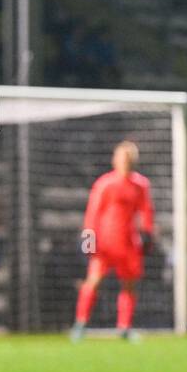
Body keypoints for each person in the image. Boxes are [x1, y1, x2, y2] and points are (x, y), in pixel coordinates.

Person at [71, 141, 154, 342]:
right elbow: (93, 213)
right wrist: (89, 239)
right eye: (123, 157)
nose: (126, 162)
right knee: (93, 281)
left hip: (128, 242)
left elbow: (146, 212)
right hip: (105, 243)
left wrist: (148, 233)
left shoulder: (141, 185)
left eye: (129, 158)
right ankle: (80, 324)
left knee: (129, 285)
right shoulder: (105, 184)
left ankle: (124, 327)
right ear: (115, 160)